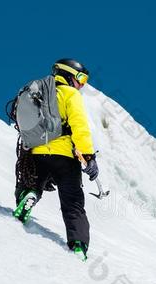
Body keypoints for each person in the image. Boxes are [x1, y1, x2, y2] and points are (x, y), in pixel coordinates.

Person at [14, 58, 99, 261]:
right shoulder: (71, 95)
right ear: (69, 75)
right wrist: (89, 156)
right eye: (80, 78)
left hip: (35, 152)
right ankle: (78, 245)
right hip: (64, 157)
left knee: (32, 182)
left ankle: (29, 196)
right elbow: (80, 127)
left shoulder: (38, 91)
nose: (82, 84)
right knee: (73, 202)